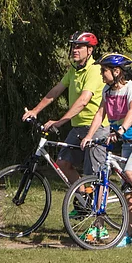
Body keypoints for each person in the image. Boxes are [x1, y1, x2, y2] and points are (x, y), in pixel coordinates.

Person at [79, 52, 132, 243]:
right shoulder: (108, 92)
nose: (101, 74)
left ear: (116, 72)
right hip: (127, 141)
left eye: (104, 71)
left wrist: (121, 129)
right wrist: (89, 136)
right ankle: (131, 235)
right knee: (128, 189)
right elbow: (100, 114)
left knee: (131, 173)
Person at [22, 31, 104, 181]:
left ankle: (94, 203)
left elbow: (83, 100)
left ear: (90, 50)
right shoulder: (74, 69)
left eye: (79, 47)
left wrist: (59, 122)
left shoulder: (95, 70)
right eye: (73, 46)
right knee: (63, 163)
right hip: (78, 126)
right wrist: (35, 110)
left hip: (96, 127)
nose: (75, 50)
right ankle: (83, 198)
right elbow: (56, 90)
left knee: (93, 176)